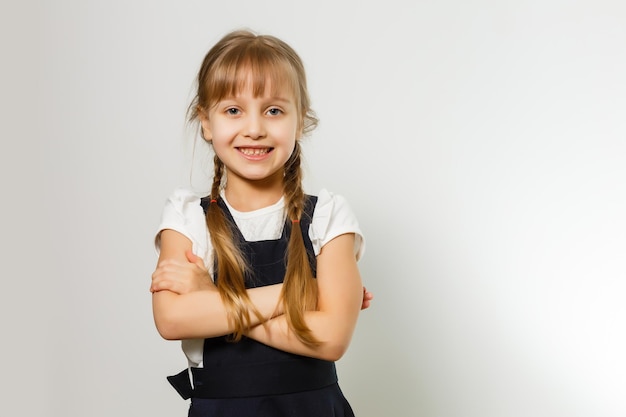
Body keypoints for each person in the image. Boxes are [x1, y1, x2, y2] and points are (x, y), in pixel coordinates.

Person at [150, 29, 372, 416]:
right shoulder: (187, 217)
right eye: (233, 110)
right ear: (206, 122)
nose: (254, 128)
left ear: (299, 120)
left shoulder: (329, 217)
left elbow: (333, 338)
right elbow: (172, 319)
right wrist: (300, 293)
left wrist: (214, 297)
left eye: (273, 110)